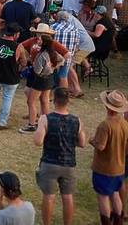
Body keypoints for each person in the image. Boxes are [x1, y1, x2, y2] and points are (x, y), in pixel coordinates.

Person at [33, 87, 85, 225]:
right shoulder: (76, 120)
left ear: (54, 100)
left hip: (50, 162)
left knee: (49, 196)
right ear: (68, 101)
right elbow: (82, 143)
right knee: (67, 196)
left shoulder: (46, 118)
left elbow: (37, 142)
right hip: (69, 164)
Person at [19, 24, 68, 133]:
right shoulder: (51, 51)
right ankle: (46, 123)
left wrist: (35, 65)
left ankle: (32, 124)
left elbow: (38, 71)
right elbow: (61, 59)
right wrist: (53, 67)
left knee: (31, 101)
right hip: (48, 78)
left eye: (41, 36)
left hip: (40, 78)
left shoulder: (42, 54)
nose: (38, 38)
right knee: (44, 100)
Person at [90, 90, 128, 225]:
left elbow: (101, 146)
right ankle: (118, 220)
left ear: (107, 106)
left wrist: (92, 141)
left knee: (103, 197)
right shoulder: (125, 124)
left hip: (104, 168)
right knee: (115, 194)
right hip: (119, 167)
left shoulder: (105, 125)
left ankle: (106, 222)